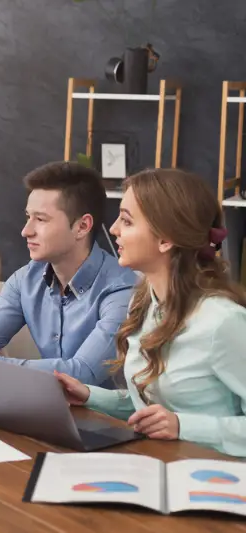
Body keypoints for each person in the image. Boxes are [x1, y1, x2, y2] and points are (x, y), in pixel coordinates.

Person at [55, 169, 246, 457]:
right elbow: (153, 408)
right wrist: (90, 395)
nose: (115, 228)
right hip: (160, 467)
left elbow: (174, 421)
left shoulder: (223, 322)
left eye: (127, 220)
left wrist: (184, 426)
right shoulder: (144, 303)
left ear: (165, 240)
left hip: (220, 483)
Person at [0, 161, 138, 386]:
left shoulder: (122, 289)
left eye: (40, 219)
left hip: (105, 419)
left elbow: (81, 372)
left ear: (82, 226)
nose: (26, 231)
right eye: (28, 217)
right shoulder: (25, 281)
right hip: (44, 410)